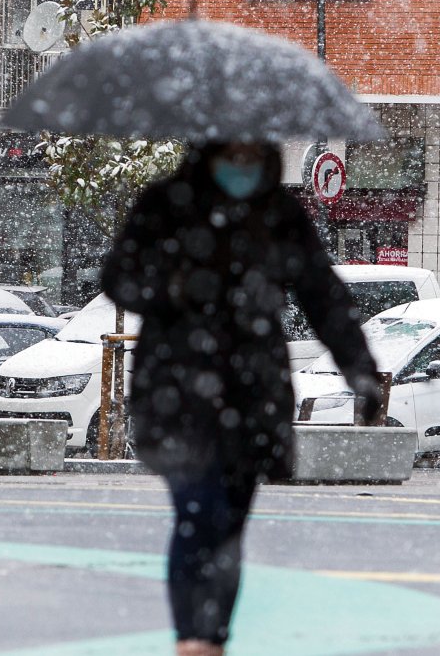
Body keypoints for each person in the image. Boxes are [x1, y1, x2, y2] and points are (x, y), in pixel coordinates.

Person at [102, 142, 381, 656]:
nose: (242, 162)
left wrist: (360, 369)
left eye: (251, 150)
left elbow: (322, 294)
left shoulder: (279, 213)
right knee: (198, 512)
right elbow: (118, 277)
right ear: (209, 149)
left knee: (228, 524)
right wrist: (175, 288)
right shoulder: (167, 204)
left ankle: (212, 638)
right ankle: (193, 638)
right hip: (178, 389)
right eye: (231, 150)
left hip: (253, 393)